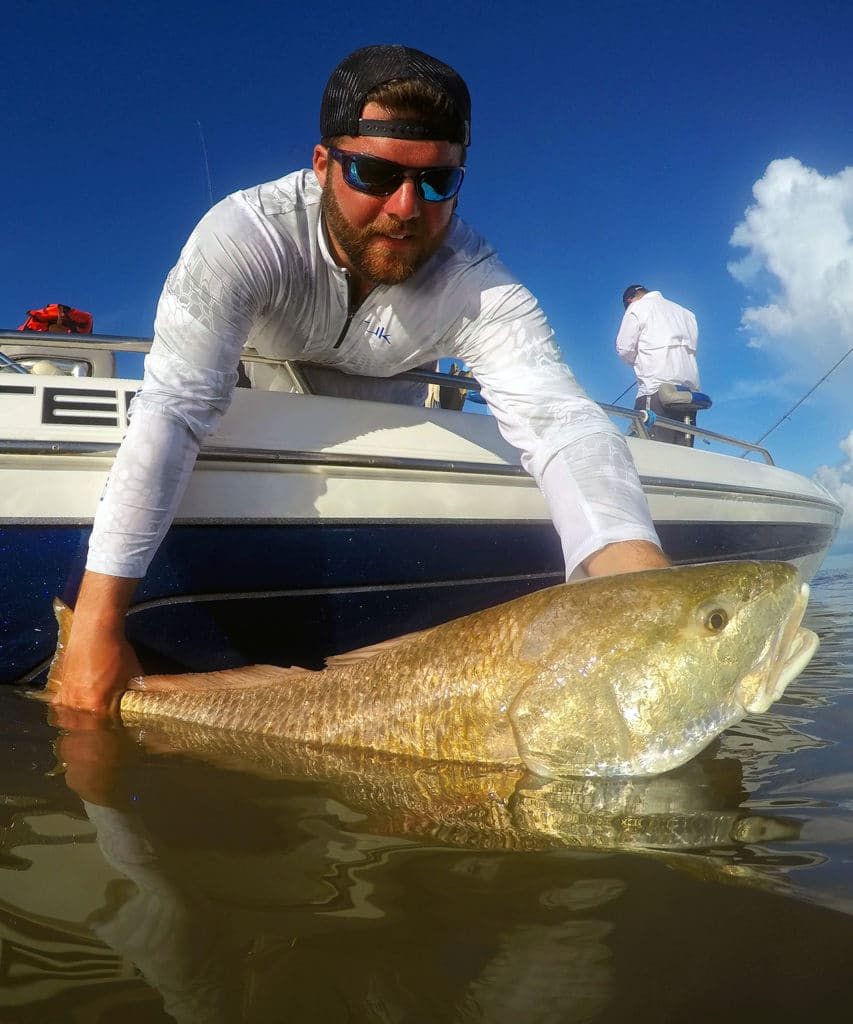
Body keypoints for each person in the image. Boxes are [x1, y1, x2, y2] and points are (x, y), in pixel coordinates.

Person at [55, 44, 669, 715]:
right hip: (261, 418)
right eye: (374, 173)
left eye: (437, 182)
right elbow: (174, 409)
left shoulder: (475, 281)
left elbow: (564, 424)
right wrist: (96, 626)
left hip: (389, 436)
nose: (406, 207)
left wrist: (642, 600)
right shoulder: (244, 234)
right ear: (323, 164)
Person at [615, 285, 700, 446]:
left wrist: (637, 359)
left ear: (630, 299)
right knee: (683, 453)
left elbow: (624, 349)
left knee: (651, 451)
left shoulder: (637, 307)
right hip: (689, 393)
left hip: (655, 390)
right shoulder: (687, 314)